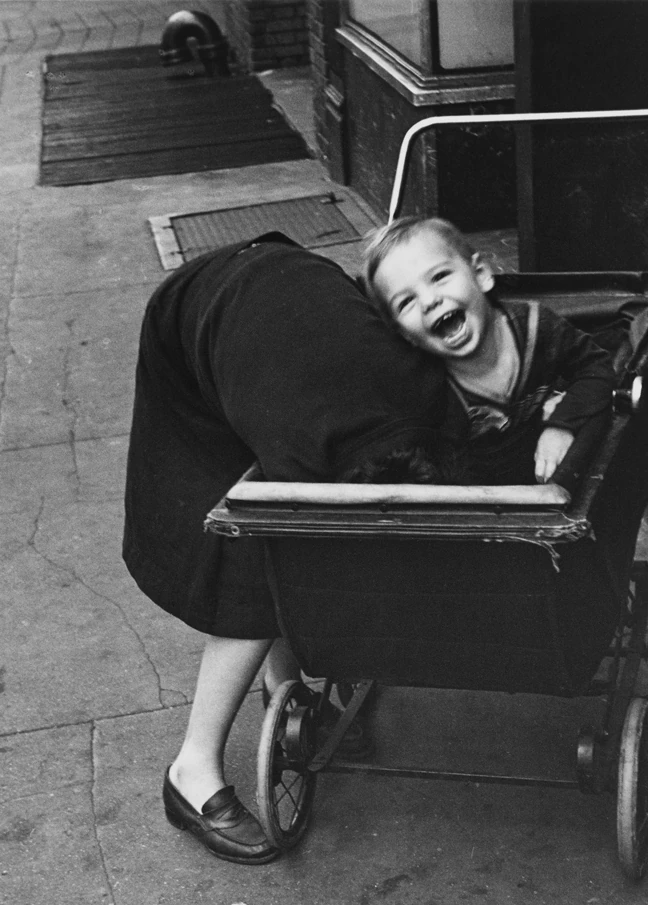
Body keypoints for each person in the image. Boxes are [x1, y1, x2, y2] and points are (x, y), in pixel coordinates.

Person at [123, 232, 446, 865]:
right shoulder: (299, 430)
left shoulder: (417, 385)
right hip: (198, 320)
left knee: (285, 543)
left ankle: (284, 693)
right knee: (254, 552)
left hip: (287, 299)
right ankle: (191, 774)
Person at [362, 216, 616, 486]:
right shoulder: (430, 388)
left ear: (481, 274)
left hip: (558, 478)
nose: (429, 301)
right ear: (403, 334)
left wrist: (562, 424)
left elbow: (597, 366)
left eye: (439, 277)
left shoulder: (536, 327)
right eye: (406, 302)